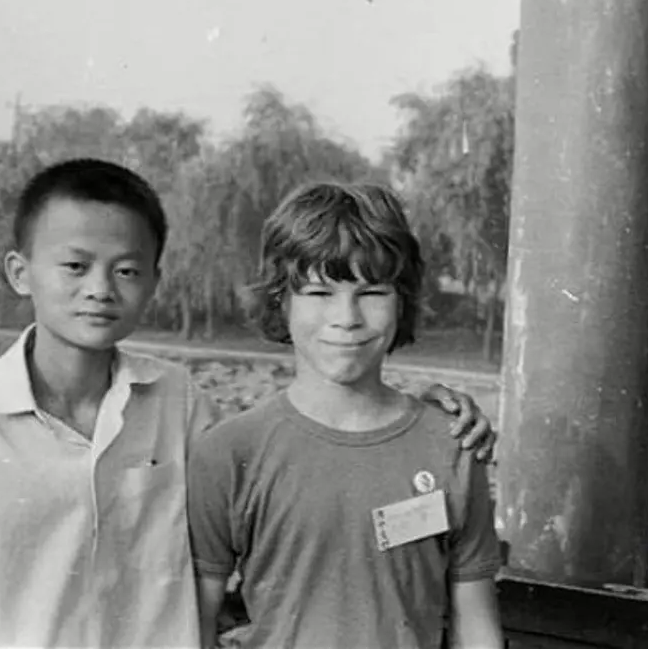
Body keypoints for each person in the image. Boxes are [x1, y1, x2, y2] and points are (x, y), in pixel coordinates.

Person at [0, 160, 498, 648]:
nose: (98, 289)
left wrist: (420, 411)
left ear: (153, 281)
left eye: (125, 270)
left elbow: (314, 447)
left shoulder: (179, 403)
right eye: (74, 265)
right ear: (19, 272)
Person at [187, 181, 504, 649]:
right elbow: (194, 620)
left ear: (403, 301)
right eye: (318, 293)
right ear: (281, 300)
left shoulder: (453, 444)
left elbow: (476, 625)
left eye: (372, 292)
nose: (346, 317)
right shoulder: (228, 452)